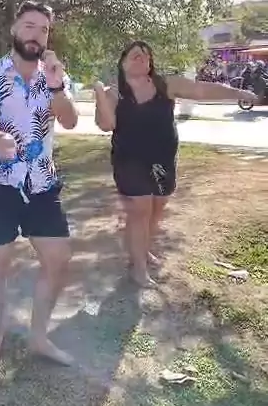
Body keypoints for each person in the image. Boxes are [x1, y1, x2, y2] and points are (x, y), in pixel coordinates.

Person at [94, 40, 257, 287]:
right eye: (135, 55)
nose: (141, 58)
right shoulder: (114, 93)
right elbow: (106, 124)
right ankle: (138, 269)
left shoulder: (166, 84)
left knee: (157, 208)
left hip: (163, 160)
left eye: (146, 56)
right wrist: (99, 93)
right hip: (129, 161)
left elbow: (201, 90)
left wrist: (237, 93)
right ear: (123, 62)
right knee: (140, 210)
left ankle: (143, 250)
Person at [0, 0, 78, 364]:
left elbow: (70, 121)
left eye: (44, 29)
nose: (37, 35)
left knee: (58, 259)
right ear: (14, 29)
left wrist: (57, 85)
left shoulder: (55, 74)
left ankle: (38, 337)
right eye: (30, 26)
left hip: (42, 183)